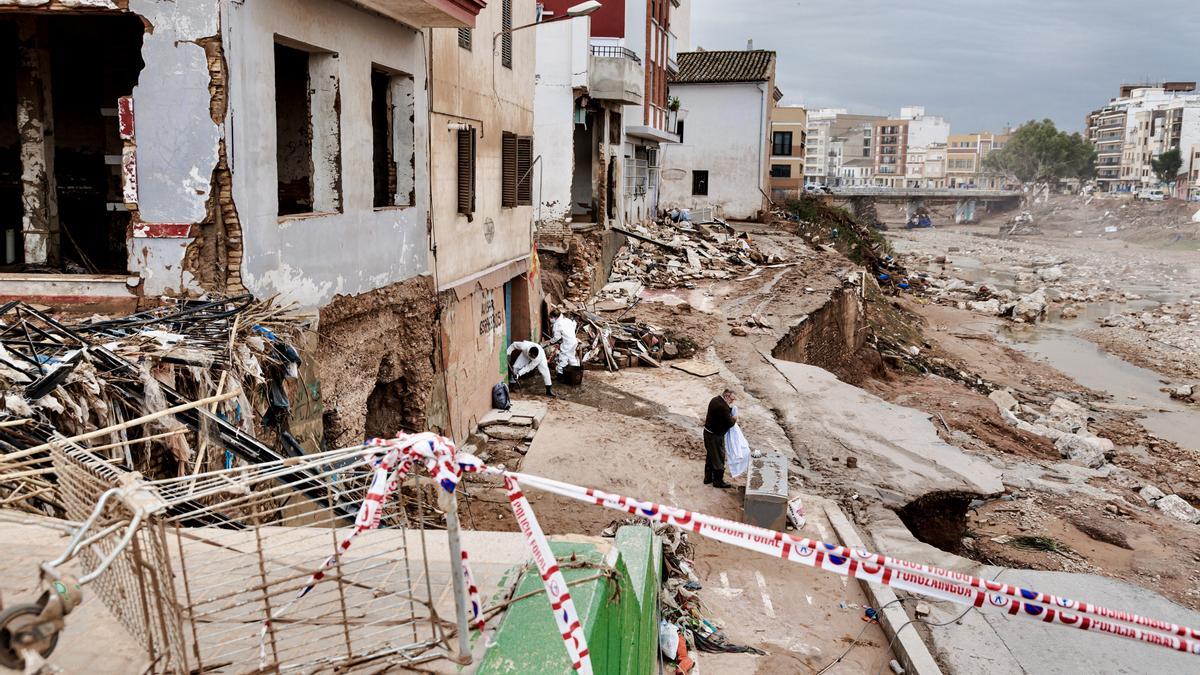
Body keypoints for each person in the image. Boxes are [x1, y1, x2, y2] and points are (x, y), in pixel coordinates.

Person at [702, 389, 737, 488]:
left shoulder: (715, 400)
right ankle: (718, 482)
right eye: (732, 399)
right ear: (726, 396)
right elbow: (730, 422)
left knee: (711, 456)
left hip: (708, 433)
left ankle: (708, 478)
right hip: (715, 436)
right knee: (719, 458)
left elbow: (723, 411)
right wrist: (735, 418)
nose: (732, 402)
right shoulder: (722, 407)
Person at [546, 309, 579, 376]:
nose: (550, 319)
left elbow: (557, 337)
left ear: (554, 317)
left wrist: (550, 342)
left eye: (550, 317)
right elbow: (572, 328)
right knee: (571, 357)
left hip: (567, 343)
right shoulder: (567, 320)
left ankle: (560, 374)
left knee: (563, 358)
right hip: (574, 341)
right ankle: (576, 373)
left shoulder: (557, 324)